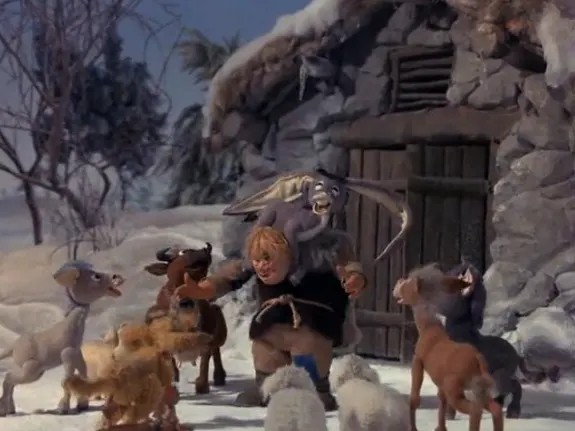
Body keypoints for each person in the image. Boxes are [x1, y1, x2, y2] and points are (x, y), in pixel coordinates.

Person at [188, 226, 367, 411]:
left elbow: (349, 265)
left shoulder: (319, 259)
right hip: (270, 327)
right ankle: (266, 388)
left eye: (267, 258)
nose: (261, 266)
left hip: (312, 327)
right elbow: (231, 275)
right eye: (257, 260)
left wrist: (355, 278)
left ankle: (316, 391)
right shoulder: (258, 258)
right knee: (265, 351)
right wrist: (204, 288)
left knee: (309, 350)